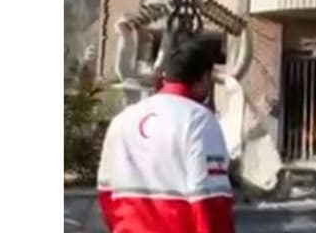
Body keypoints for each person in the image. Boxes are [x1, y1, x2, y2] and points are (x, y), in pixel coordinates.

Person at [97, 37, 235, 233]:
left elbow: (106, 193)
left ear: (165, 77)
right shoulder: (200, 120)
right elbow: (211, 202)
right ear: (204, 78)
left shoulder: (122, 120)